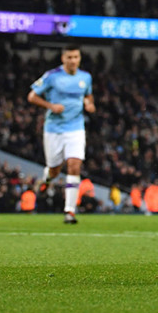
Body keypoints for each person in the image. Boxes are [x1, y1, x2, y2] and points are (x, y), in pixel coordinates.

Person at [27, 43, 96, 224]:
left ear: (79, 58)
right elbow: (32, 96)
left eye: (76, 57)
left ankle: (70, 211)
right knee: (55, 170)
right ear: (63, 58)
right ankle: (47, 179)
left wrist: (90, 104)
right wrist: (50, 106)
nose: (73, 61)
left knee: (74, 165)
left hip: (76, 128)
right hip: (54, 129)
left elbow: (88, 95)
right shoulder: (52, 76)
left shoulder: (85, 78)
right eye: (69, 57)